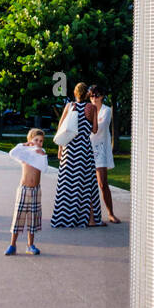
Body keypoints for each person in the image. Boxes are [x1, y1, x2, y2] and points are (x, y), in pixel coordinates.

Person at [51, 83, 101, 228]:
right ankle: (88, 219)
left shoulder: (69, 106)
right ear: (87, 94)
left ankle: (64, 218)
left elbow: (61, 127)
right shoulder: (91, 108)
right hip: (84, 151)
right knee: (86, 185)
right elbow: (95, 130)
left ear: (75, 93)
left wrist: (60, 148)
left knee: (66, 184)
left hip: (69, 149)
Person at [5, 129, 51, 255]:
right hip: (24, 189)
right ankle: (12, 244)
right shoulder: (24, 152)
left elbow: (45, 168)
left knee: (33, 217)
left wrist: (42, 155)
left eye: (41, 141)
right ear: (30, 139)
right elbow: (12, 153)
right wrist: (24, 145)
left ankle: (30, 245)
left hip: (36, 190)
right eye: (36, 140)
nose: (39, 143)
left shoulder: (42, 153)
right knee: (18, 216)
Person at [88, 86, 119, 224]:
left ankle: (111, 213)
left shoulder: (106, 110)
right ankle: (90, 215)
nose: (94, 98)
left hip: (100, 150)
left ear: (101, 96)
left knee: (102, 183)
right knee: (88, 184)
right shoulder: (87, 109)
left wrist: (90, 122)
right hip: (88, 148)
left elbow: (98, 128)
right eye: (91, 96)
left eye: (96, 95)